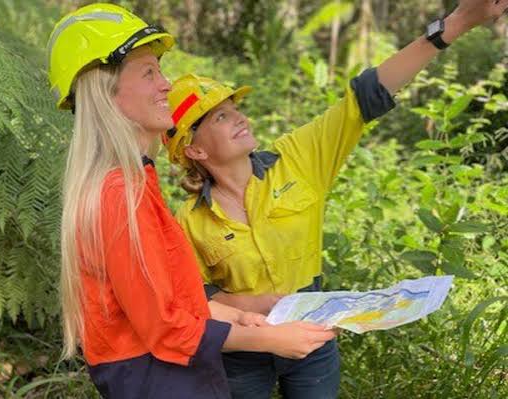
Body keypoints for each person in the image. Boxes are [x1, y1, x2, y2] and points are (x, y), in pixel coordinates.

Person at [164, 1, 508, 398]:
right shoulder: (189, 219)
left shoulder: (297, 159)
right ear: (195, 151)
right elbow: (197, 300)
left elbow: (366, 96)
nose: (240, 118)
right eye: (220, 118)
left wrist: (457, 23)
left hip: (313, 337)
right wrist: (257, 304)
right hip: (244, 350)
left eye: (234, 109)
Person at [47, 3, 336, 399]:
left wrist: (239, 315)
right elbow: (165, 327)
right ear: (107, 94)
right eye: (149, 72)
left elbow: (172, 299)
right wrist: (269, 341)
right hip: (158, 378)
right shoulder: (117, 196)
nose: (166, 84)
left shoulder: (135, 182)